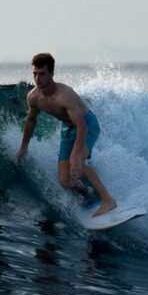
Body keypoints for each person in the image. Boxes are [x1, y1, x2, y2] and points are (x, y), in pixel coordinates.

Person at [15, 53, 117, 217]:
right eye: (35, 74)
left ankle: (108, 200)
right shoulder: (33, 97)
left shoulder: (64, 95)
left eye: (42, 74)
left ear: (51, 73)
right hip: (67, 129)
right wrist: (23, 147)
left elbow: (82, 127)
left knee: (78, 162)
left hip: (87, 125)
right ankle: (88, 194)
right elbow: (31, 120)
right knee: (65, 181)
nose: (38, 78)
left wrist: (76, 155)